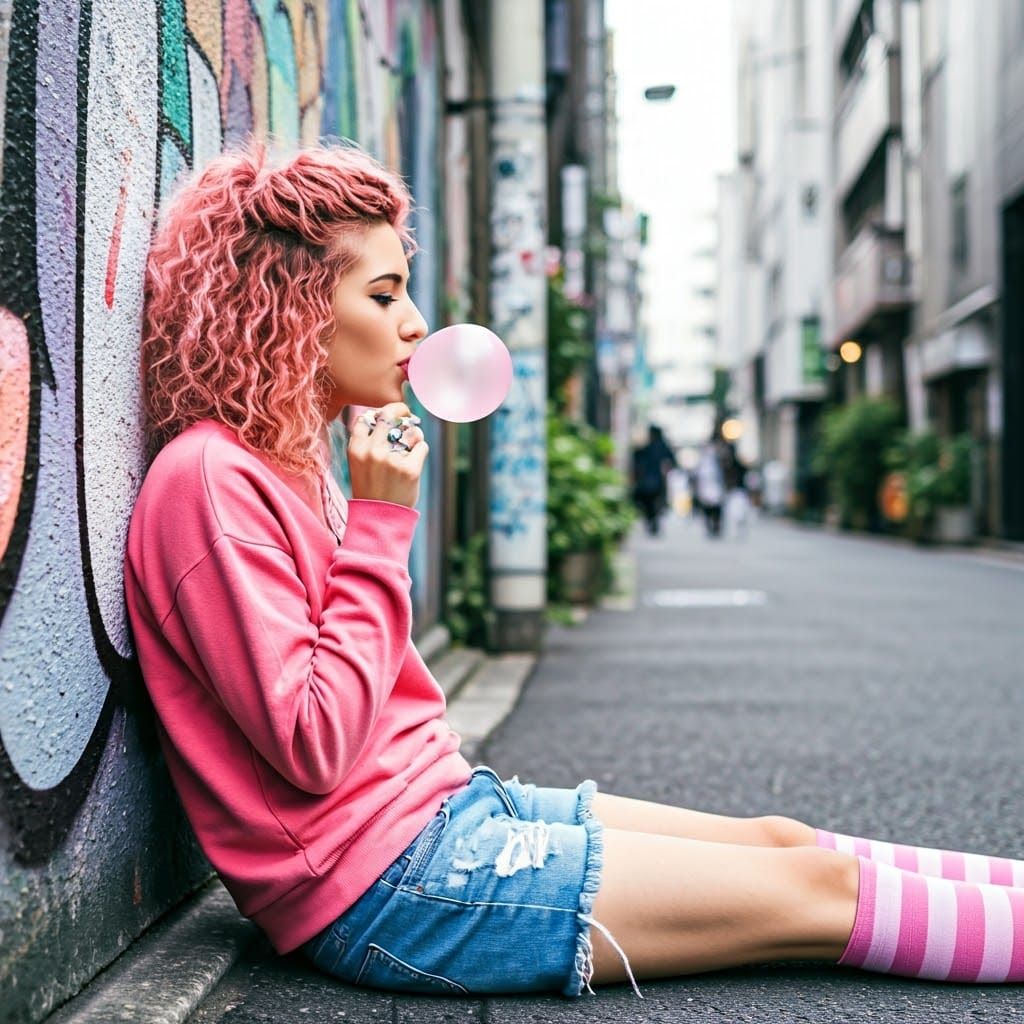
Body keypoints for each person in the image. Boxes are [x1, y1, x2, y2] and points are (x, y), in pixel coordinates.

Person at [124, 140, 1024, 1003]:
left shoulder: (294, 462)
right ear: (292, 305)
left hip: (444, 814)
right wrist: (384, 521)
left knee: (782, 841)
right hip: (382, 886)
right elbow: (314, 743)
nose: (415, 324)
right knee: (817, 892)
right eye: (385, 292)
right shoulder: (207, 482)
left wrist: (371, 516)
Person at [630, 424, 677, 535]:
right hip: (656, 480)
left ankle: (652, 522)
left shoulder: (650, 447)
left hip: (649, 480)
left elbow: (637, 457)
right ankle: (654, 522)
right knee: (654, 502)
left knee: (648, 502)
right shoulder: (662, 447)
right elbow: (673, 462)